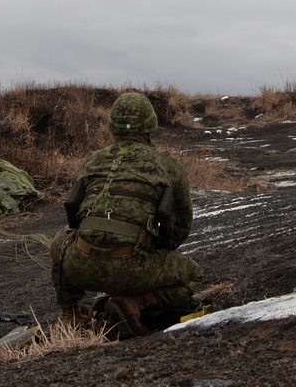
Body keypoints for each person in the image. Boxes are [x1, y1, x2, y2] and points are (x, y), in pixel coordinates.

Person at [49, 92, 203, 337]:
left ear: (112, 124)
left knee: (60, 239)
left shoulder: (92, 161)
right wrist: (155, 249)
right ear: (150, 124)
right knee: (193, 274)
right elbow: (181, 226)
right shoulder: (168, 166)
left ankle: (70, 314)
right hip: (132, 270)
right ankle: (134, 304)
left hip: (80, 266)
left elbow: (73, 215)